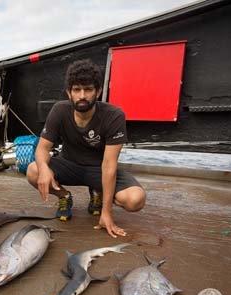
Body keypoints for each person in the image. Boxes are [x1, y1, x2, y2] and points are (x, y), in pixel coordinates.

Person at [26, 59, 146, 238]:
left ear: (98, 92)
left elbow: (109, 165)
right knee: (33, 170)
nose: (82, 95)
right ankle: (64, 197)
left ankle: (98, 192)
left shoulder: (114, 115)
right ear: (69, 92)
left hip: (99, 170)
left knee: (135, 200)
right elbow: (42, 149)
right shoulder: (59, 110)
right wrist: (44, 169)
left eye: (88, 89)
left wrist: (107, 213)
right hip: (69, 165)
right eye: (76, 90)